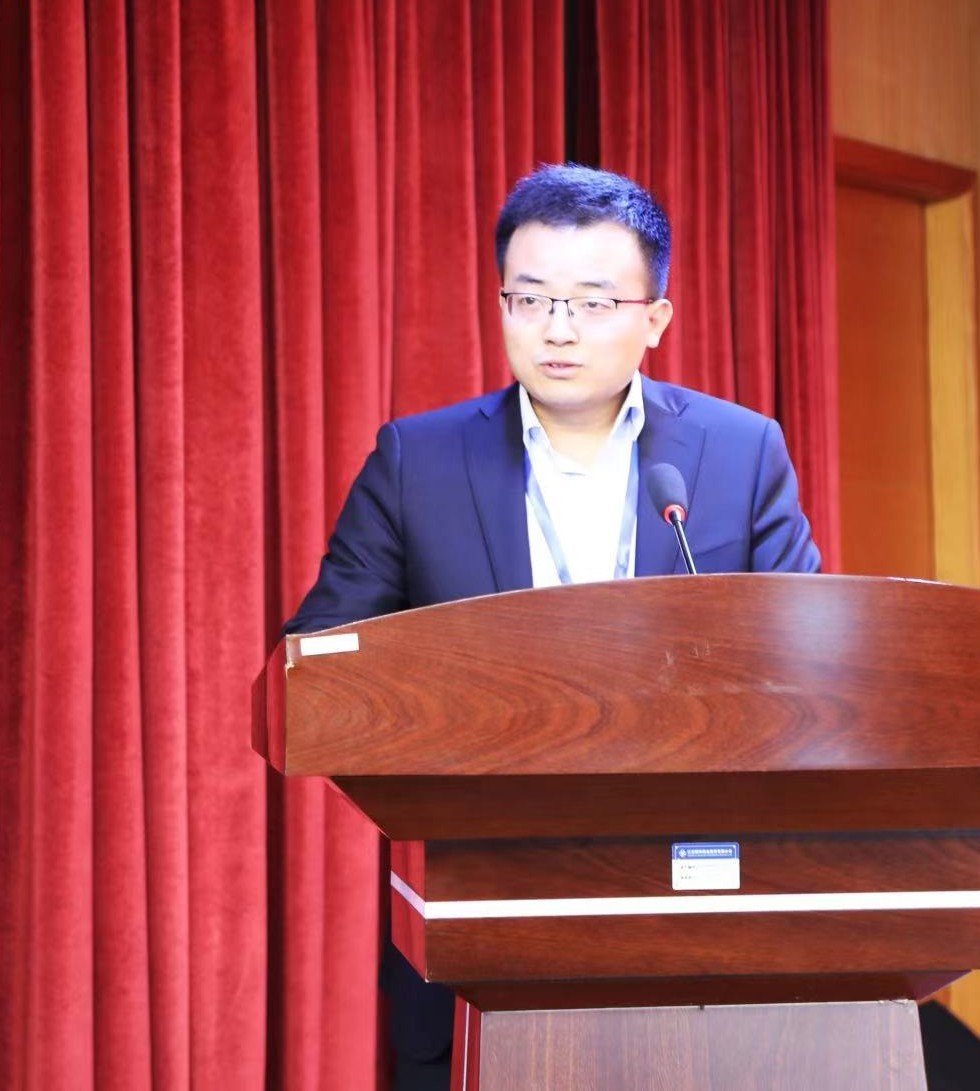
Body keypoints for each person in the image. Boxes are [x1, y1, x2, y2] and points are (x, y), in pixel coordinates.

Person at [284, 163, 824, 1090]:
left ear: (655, 318)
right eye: (529, 298)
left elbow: (811, 664)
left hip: (695, 911)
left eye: (592, 302)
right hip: (482, 911)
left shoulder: (741, 451)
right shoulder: (419, 459)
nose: (557, 329)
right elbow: (319, 664)